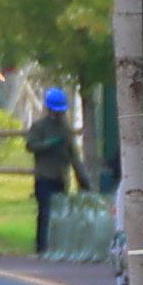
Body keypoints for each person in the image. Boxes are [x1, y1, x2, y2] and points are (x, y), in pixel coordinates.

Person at [27, 86, 84, 254]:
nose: (59, 114)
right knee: (45, 213)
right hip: (44, 176)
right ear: (48, 108)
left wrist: (81, 176)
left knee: (59, 214)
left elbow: (73, 154)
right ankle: (42, 247)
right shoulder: (39, 127)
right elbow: (30, 145)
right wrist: (48, 144)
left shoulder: (64, 129)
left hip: (61, 176)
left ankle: (57, 247)